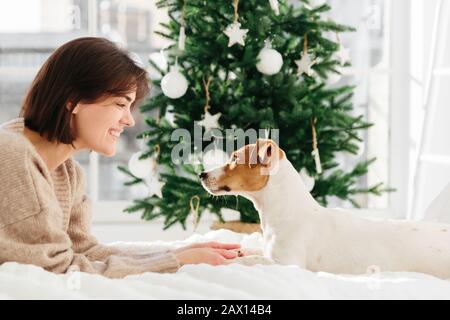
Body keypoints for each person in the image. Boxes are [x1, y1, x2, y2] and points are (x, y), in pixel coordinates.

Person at [0, 37, 241, 279]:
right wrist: (174, 261)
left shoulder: (68, 173)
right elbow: (57, 269)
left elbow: (85, 251)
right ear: (73, 100)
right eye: (120, 104)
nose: (129, 120)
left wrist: (175, 252)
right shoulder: (12, 154)